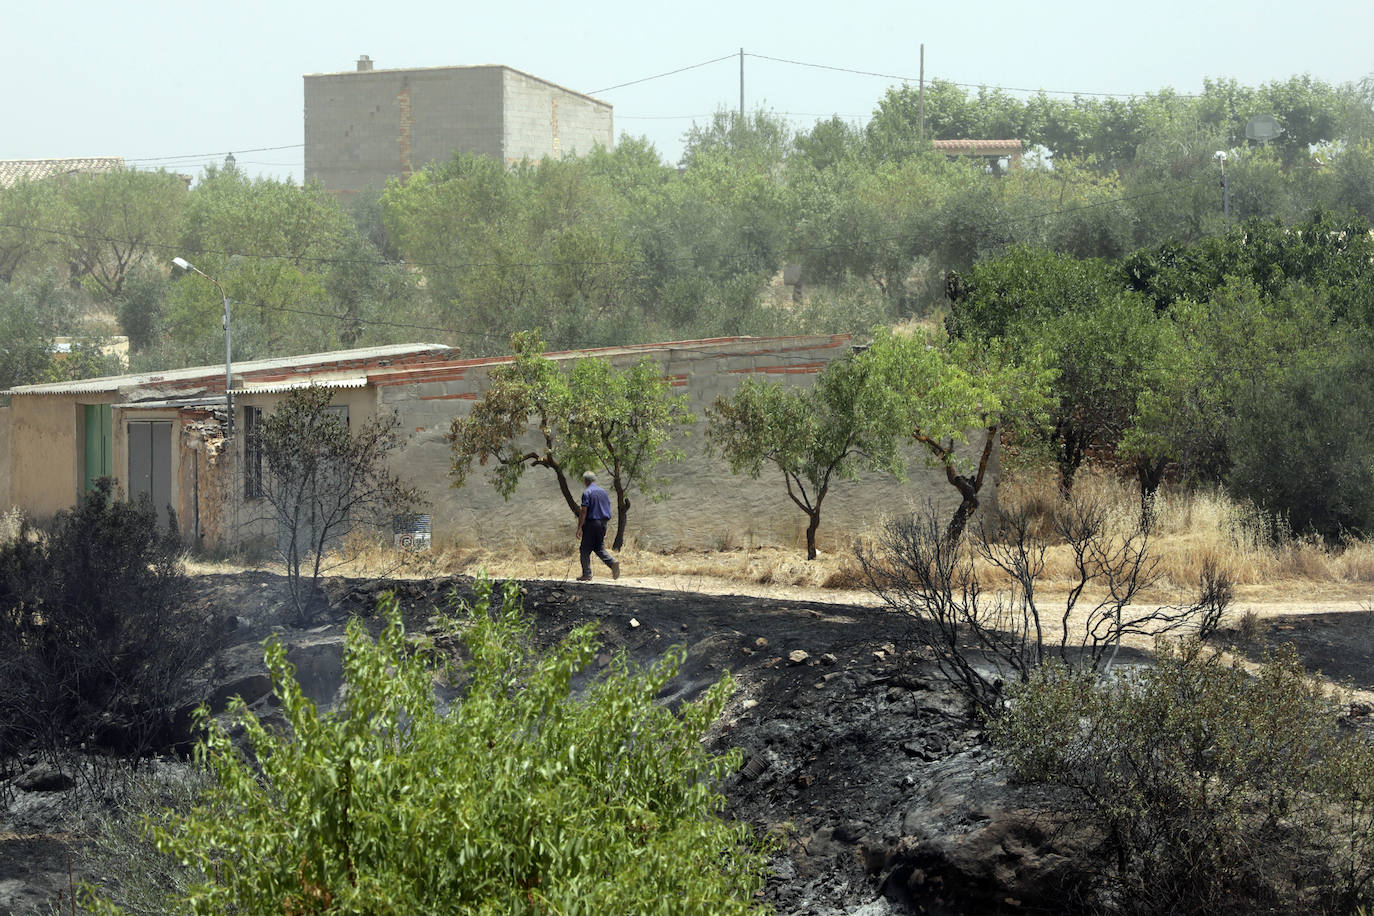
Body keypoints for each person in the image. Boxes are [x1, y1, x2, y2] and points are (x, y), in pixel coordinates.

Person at [576, 470, 619, 581]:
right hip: (602, 523)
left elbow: (584, 511)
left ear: (585, 481)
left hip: (591, 523)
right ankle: (612, 563)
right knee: (599, 547)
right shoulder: (603, 492)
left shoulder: (587, 493)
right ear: (594, 480)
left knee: (584, 549)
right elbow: (607, 509)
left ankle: (587, 574)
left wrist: (579, 527)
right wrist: (605, 527)